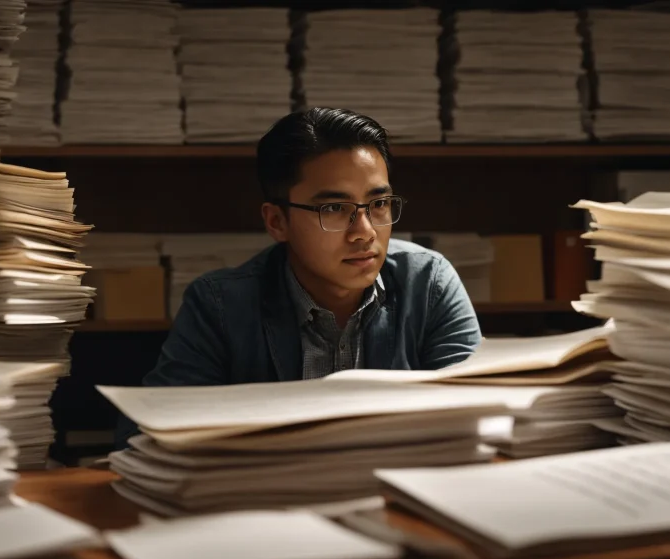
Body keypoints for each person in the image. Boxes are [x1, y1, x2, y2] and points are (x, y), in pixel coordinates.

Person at [116, 107, 481, 445]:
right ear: (277, 222)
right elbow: (147, 437)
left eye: (379, 204)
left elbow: (479, 417)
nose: (364, 232)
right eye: (335, 208)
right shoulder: (220, 305)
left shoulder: (429, 283)